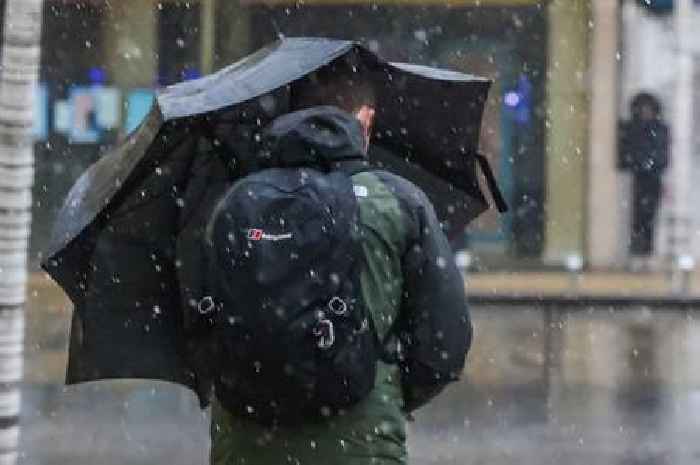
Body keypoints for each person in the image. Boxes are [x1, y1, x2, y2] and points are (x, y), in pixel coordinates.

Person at [204, 64, 473, 465]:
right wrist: (383, 389)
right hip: (362, 444)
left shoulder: (235, 202)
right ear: (365, 119)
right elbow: (445, 342)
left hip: (244, 445)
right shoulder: (398, 201)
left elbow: (201, 324)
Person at [618, 92, 670, 270]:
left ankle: (646, 253)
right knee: (635, 218)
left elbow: (663, 155)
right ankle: (636, 253)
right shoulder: (633, 128)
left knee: (649, 218)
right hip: (637, 179)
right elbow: (626, 153)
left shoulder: (659, 129)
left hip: (652, 179)